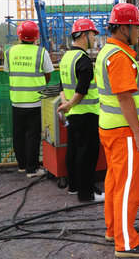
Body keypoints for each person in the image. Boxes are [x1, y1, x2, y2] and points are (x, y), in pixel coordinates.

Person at [95, 3, 139, 258]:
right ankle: (126, 243)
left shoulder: (108, 51)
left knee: (115, 182)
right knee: (128, 187)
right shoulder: (119, 56)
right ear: (123, 28)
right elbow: (124, 98)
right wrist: (138, 133)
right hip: (125, 133)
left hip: (112, 129)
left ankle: (115, 230)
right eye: (136, 28)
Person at [57, 18, 104, 202]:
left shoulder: (66, 57)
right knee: (87, 154)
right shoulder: (82, 59)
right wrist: (69, 104)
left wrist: (65, 104)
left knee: (74, 151)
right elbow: (82, 89)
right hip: (86, 114)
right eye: (92, 34)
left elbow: (62, 85)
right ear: (84, 35)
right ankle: (87, 194)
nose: (94, 38)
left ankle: (74, 187)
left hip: (73, 114)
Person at [5, 21, 54, 178]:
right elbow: (48, 74)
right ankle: (32, 168)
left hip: (17, 100)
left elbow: (8, 71)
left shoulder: (9, 52)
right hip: (35, 100)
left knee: (18, 134)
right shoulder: (41, 52)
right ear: (36, 37)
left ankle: (22, 165)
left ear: (19, 36)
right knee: (33, 135)